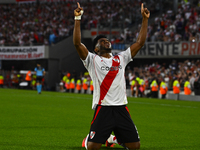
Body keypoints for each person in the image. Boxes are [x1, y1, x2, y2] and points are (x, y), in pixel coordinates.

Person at [73, 2, 150, 150]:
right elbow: (77, 43)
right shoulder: (92, 60)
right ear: (96, 48)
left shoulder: (121, 58)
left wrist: (145, 19)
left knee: (135, 146)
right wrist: (77, 19)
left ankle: (112, 139)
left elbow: (139, 42)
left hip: (121, 107)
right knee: (92, 147)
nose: (106, 41)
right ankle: (91, 138)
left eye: (107, 40)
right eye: (102, 41)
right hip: (104, 108)